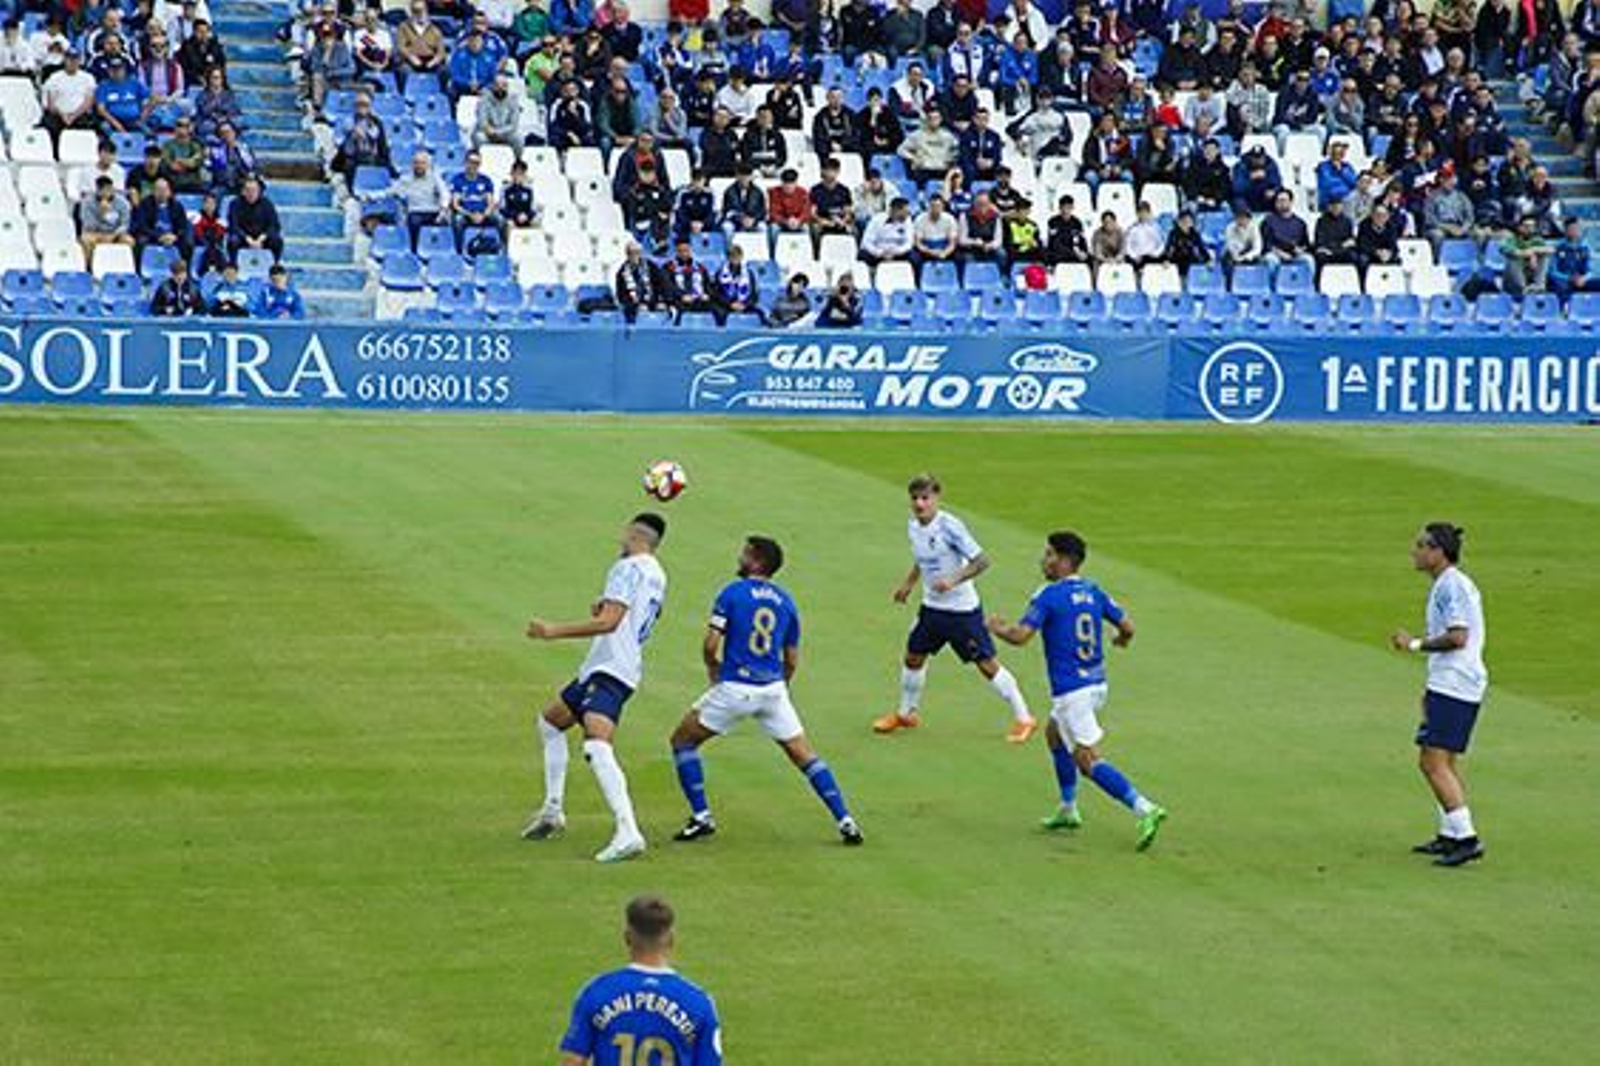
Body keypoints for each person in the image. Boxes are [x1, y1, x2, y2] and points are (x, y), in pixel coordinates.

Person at [669, 537, 864, 846]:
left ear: (758, 562)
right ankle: (846, 821)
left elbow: (710, 643)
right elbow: (792, 658)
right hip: (772, 690)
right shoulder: (786, 601)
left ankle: (701, 817)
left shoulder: (732, 593)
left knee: (682, 741)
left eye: (745, 553)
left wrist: (712, 668)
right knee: (805, 756)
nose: (740, 557)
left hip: (735, 687)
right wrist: (780, 686)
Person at [987, 531, 1168, 850]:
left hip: (1073, 692)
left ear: (1064, 560)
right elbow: (1128, 626)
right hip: (1097, 684)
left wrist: (996, 626)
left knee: (1087, 761)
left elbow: (1020, 636)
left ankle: (1145, 808)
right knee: (1054, 734)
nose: (1043, 561)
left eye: (1048, 555)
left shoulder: (1048, 595)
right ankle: (1068, 809)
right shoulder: (1094, 591)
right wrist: (1121, 641)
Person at [523, 513, 668, 864]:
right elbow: (627, 616)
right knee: (550, 722)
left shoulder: (626, 567)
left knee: (597, 745)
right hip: (608, 666)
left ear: (634, 535)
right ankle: (553, 809)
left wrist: (552, 631)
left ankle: (628, 831)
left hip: (610, 668)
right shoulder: (656, 572)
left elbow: (610, 622)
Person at [874, 474, 1036, 742]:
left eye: (925, 498)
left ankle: (1024, 718)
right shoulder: (913, 526)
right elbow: (921, 558)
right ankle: (906, 713)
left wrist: (953, 579)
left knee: (986, 665)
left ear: (936, 498)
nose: (919, 504)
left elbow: (982, 561)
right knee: (913, 657)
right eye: (915, 498)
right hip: (931, 609)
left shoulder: (951, 527)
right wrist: (909, 583)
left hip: (961, 612)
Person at [1389, 523, 1488, 868]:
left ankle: (1466, 838)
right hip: (1451, 683)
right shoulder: (1450, 584)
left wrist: (1414, 644)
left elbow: (1458, 637)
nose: (1415, 552)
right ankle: (1449, 833)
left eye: (1421, 546)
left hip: (1455, 683)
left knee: (1431, 761)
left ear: (1438, 552)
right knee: (1443, 760)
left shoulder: (1451, 587)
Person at [558, 896, 722, 1066]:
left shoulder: (596, 991)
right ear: (671, 939)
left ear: (627, 937)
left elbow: (573, 1062)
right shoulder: (698, 1002)